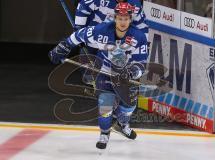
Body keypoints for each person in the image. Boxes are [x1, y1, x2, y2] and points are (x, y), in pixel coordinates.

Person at [49, 2, 148, 149]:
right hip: (106, 72)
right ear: (114, 18)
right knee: (105, 105)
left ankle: (122, 123)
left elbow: (141, 63)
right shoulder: (101, 30)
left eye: (126, 19)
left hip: (126, 76)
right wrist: (63, 47)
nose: (122, 22)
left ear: (130, 19)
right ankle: (104, 133)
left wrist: (132, 72)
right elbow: (79, 35)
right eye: (119, 18)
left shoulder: (139, 37)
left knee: (128, 108)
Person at [74, 0, 148, 84]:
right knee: (89, 61)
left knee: (113, 63)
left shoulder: (135, 4)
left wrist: (142, 43)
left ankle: (103, 83)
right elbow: (83, 6)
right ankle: (90, 81)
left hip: (115, 40)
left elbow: (141, 24)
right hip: (93, 35)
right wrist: (79, 27)